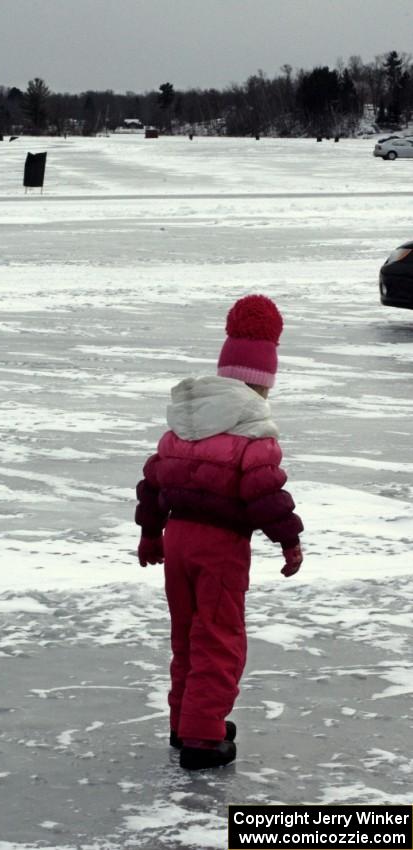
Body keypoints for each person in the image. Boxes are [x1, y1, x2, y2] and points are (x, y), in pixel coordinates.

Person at [135, 294, 303, 771]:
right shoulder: (253, 433)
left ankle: (184, 721)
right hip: (221, 548)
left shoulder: (182, 427)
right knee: (219, 637)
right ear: (262, 386)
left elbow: (153, 482)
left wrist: (151, 536)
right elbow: (266, 494)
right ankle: (203, 738)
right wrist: (288, 541)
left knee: (186, 633)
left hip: (178, 538)